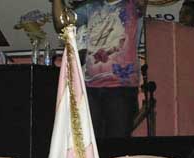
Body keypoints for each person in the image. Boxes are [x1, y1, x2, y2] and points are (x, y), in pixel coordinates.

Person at [53, 0, 174, 139]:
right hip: (91, 89)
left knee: (117, 146)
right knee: (92, 145)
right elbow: (62, 24)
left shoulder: (134, 4)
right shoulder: (90, 7)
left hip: (121, 88)